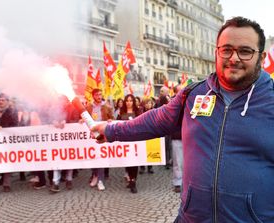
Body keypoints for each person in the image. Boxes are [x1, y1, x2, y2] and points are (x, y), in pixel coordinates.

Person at [92, 17, 274, 222]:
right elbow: (156, 119)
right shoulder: (194, 94)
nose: (234, 58)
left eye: (245, 51)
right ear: (217, 52)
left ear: (261, 56)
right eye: (227, 49)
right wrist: (111, 130)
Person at [86, 88, 113, 191]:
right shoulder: (88, 107)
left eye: (100, 94)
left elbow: (112, 118)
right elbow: (84, 118)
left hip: (102, 135)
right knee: (92, 156)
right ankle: (95, 175)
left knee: (101, 157)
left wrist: (110, 119)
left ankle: (100, 180)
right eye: (97, 94)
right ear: (93, 96)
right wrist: (80, 120)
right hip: (91, 135)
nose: (99, 96)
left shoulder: (107, 107)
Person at [117, 94, 142, 193]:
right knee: (127, 162)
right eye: (127, 101)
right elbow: (117, 124)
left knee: (134, 162)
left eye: (131, 101)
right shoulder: (121, 113)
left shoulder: (138, 112)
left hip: (135, 141)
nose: (129, 102)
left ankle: (133, 181)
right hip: (125, 141)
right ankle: (129, 177)